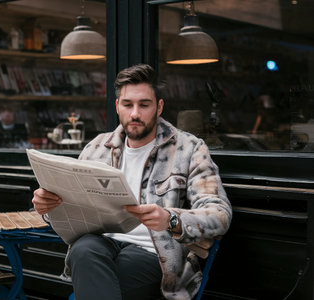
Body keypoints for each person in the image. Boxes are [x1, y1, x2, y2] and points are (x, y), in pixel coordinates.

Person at [32, 64, 232, 300]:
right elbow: (72, 211)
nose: (135, 113)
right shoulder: (96, 148)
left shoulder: (189, 149)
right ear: (117, 106)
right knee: (83, 249)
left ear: (159, 107)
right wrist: (48, 208)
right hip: (101, 246)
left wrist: (171, 219)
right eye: (128, 105)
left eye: (144, 104)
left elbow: (220, 214)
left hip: (155, 255)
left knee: (103, 280)